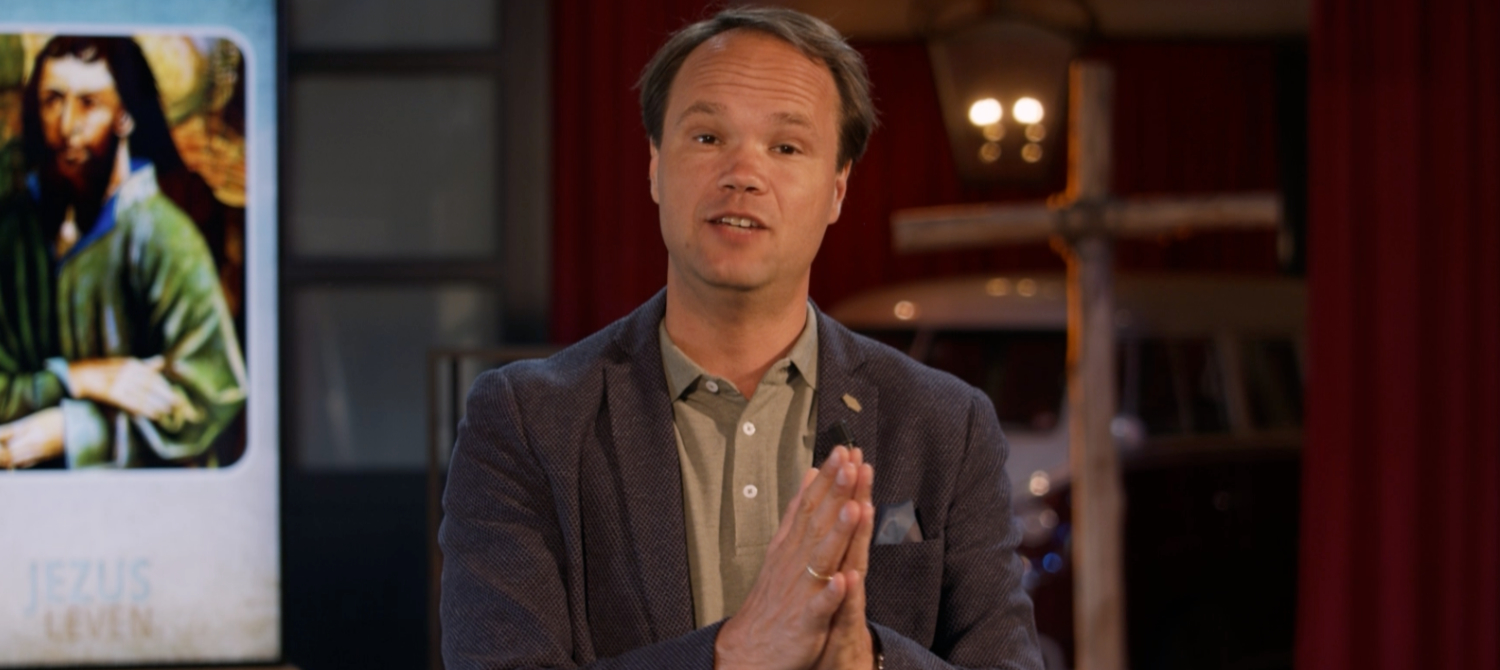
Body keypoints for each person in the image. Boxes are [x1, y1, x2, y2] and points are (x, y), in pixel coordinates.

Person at [440, 7, 1042, 669]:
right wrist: (732, 654)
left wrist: (868, 659)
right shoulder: (527, 423)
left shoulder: (946, 425)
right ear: (653, 164)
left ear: (838, 188)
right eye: (707, 137)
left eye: (786, 147)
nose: (743, 173)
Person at [0, 36, 246, 469]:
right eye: (53, 101)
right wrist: (76, 378)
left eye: (89, 103)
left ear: (125, 116)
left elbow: (212, 400)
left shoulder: (163, 236)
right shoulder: (14, 232)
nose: (67, 125)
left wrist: (76, 432)